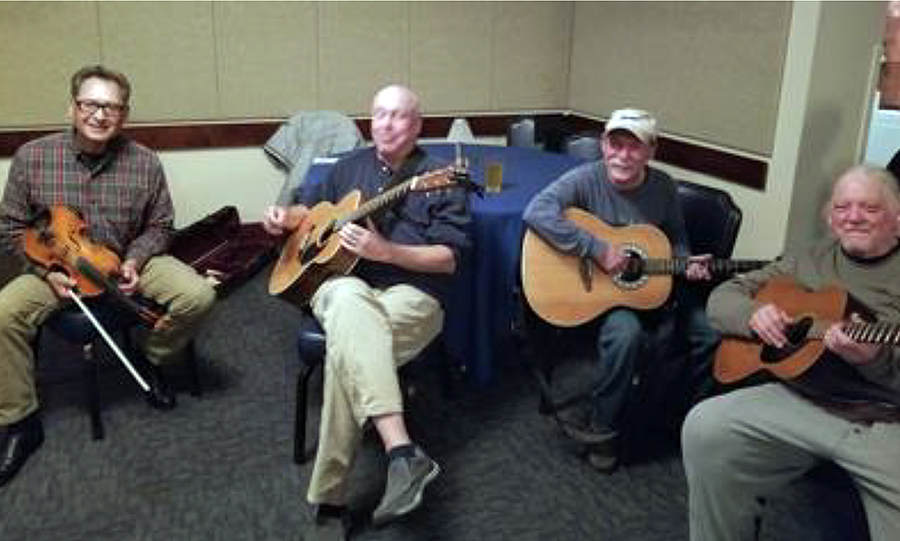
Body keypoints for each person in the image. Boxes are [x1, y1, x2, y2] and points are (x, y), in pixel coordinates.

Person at [263, 84, 470, 541]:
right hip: (340, 283)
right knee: (347, 301)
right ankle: (403, 452)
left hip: (412, 292)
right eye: (379, 114)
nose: (387, 124)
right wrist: (285, 217)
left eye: (399, 116)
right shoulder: (347, 166)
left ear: (417, 125)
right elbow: (311, 211)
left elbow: (449, 259)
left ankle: (331, 501)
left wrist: (388, 251)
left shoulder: (440, 177)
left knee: (347, 350)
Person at [0, 65, 216, 488]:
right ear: (72, 107)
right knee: (3, 313)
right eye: (90, 104)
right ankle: (21, 421)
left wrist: (135, 259)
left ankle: (152, 356)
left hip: (127, 258)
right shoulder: (32, 157)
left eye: (112, 107)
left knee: (199, 296)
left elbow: (160, 226)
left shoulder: (145, 162)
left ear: (124, 115)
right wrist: (44, 271)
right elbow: (9, 227)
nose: (100, 115)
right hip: (58, 269)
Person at [682, 165, 900, 540]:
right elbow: (724, 297)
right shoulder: (810, 257)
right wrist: (753, 316)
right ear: (830, 218)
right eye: (842, 207)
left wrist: (875, 360)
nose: (853, 217)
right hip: (808, 396)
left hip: (887, 416)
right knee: (707, 426)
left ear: (897, 217)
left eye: (870, 208)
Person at [522, 108, 720, 472]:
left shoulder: (663, 186)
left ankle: (684, 416)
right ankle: (604, 426)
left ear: (651, 151)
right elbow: (537, 211)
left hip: (654, 285)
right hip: (600, 295)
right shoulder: (585, 178)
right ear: (603, 145)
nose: (623, 155)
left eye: (634, 147)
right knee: (626, 335)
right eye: (616, 144)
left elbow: (675, 237)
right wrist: (597, 249)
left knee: (710, 333)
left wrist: (686, 261)